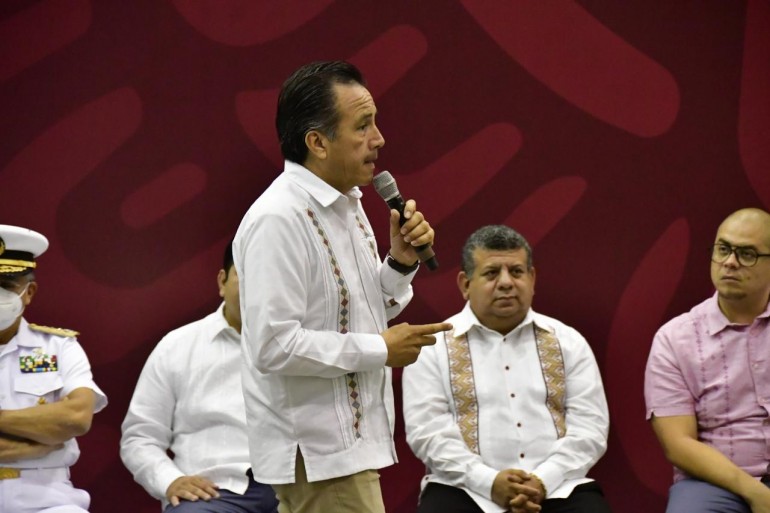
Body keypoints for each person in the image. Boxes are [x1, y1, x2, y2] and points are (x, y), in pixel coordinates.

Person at [233, 60, 452, 513]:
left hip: (348, 448)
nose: (379, 139)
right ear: (317, 142)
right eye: (363, 125)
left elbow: (359, 311)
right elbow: (273, 345)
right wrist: (380, 349)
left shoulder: (347, 203)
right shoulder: (278, 218)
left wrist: (400, 263)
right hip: (318, 453)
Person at [403, 225, 612, 513]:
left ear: (532, 278)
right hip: (464, 490)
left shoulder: (568, 342)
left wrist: (542, 481)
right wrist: (489, 483)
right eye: (491, 273)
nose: (505, 283)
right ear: (465, 284)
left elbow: (590, 429)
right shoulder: (432, 347)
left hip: (559, 489)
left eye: (516, 271)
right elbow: (427, 433)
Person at [120, 241, 278, 513]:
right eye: (247, 274)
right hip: (215, 493)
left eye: (272, 279)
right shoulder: (177, 346)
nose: (259, 288)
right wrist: (170, 481)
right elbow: (140, 437)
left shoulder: (310, 345)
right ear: (222, 281)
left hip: (298, 487)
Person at [645, 207, 770, 513]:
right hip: (714, 483)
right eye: (723, 249)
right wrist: (755, 492)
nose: (730, 262)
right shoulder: (674, 339)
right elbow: (678, 444)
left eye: (747, 254)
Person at [0, 224, 107, 512]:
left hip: (47, 501)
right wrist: (41, 442)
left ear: (29, 292)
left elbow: (76, 417)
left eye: (6, 285)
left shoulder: (59, 347)